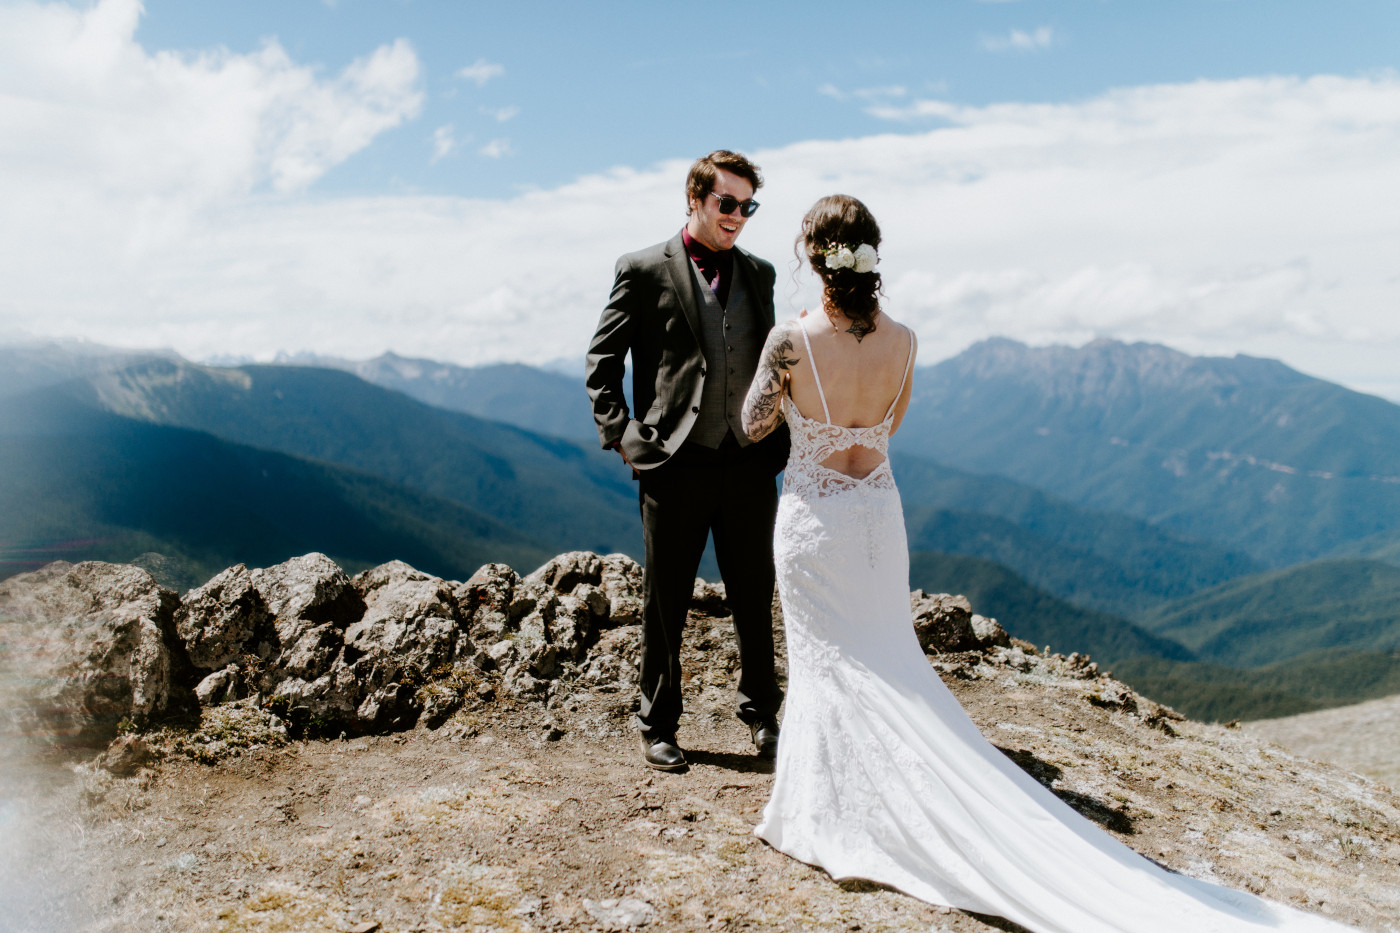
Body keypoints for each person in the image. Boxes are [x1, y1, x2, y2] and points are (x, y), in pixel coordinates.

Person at [739, 194, 1355, 932]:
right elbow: (892, 423)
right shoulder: (904, 339)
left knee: (830, 660)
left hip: (815, 524)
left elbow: (752, 426)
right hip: (877, 515)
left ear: (814, 257)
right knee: (886, 656)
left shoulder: (790, 339)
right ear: (871, 257)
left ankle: (825, 804)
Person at [586, 150, 789, 772]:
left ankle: (762, 716)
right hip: (674, 463)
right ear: (696, 200)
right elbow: (602, 362)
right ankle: (658, 723)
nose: (737, 216)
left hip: (750, 462)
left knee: (755, 592)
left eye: (747, 206)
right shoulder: (643, 269)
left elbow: (772, 362)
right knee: (665, 597)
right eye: (727, 203)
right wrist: (625, 437)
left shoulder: (760, 273)